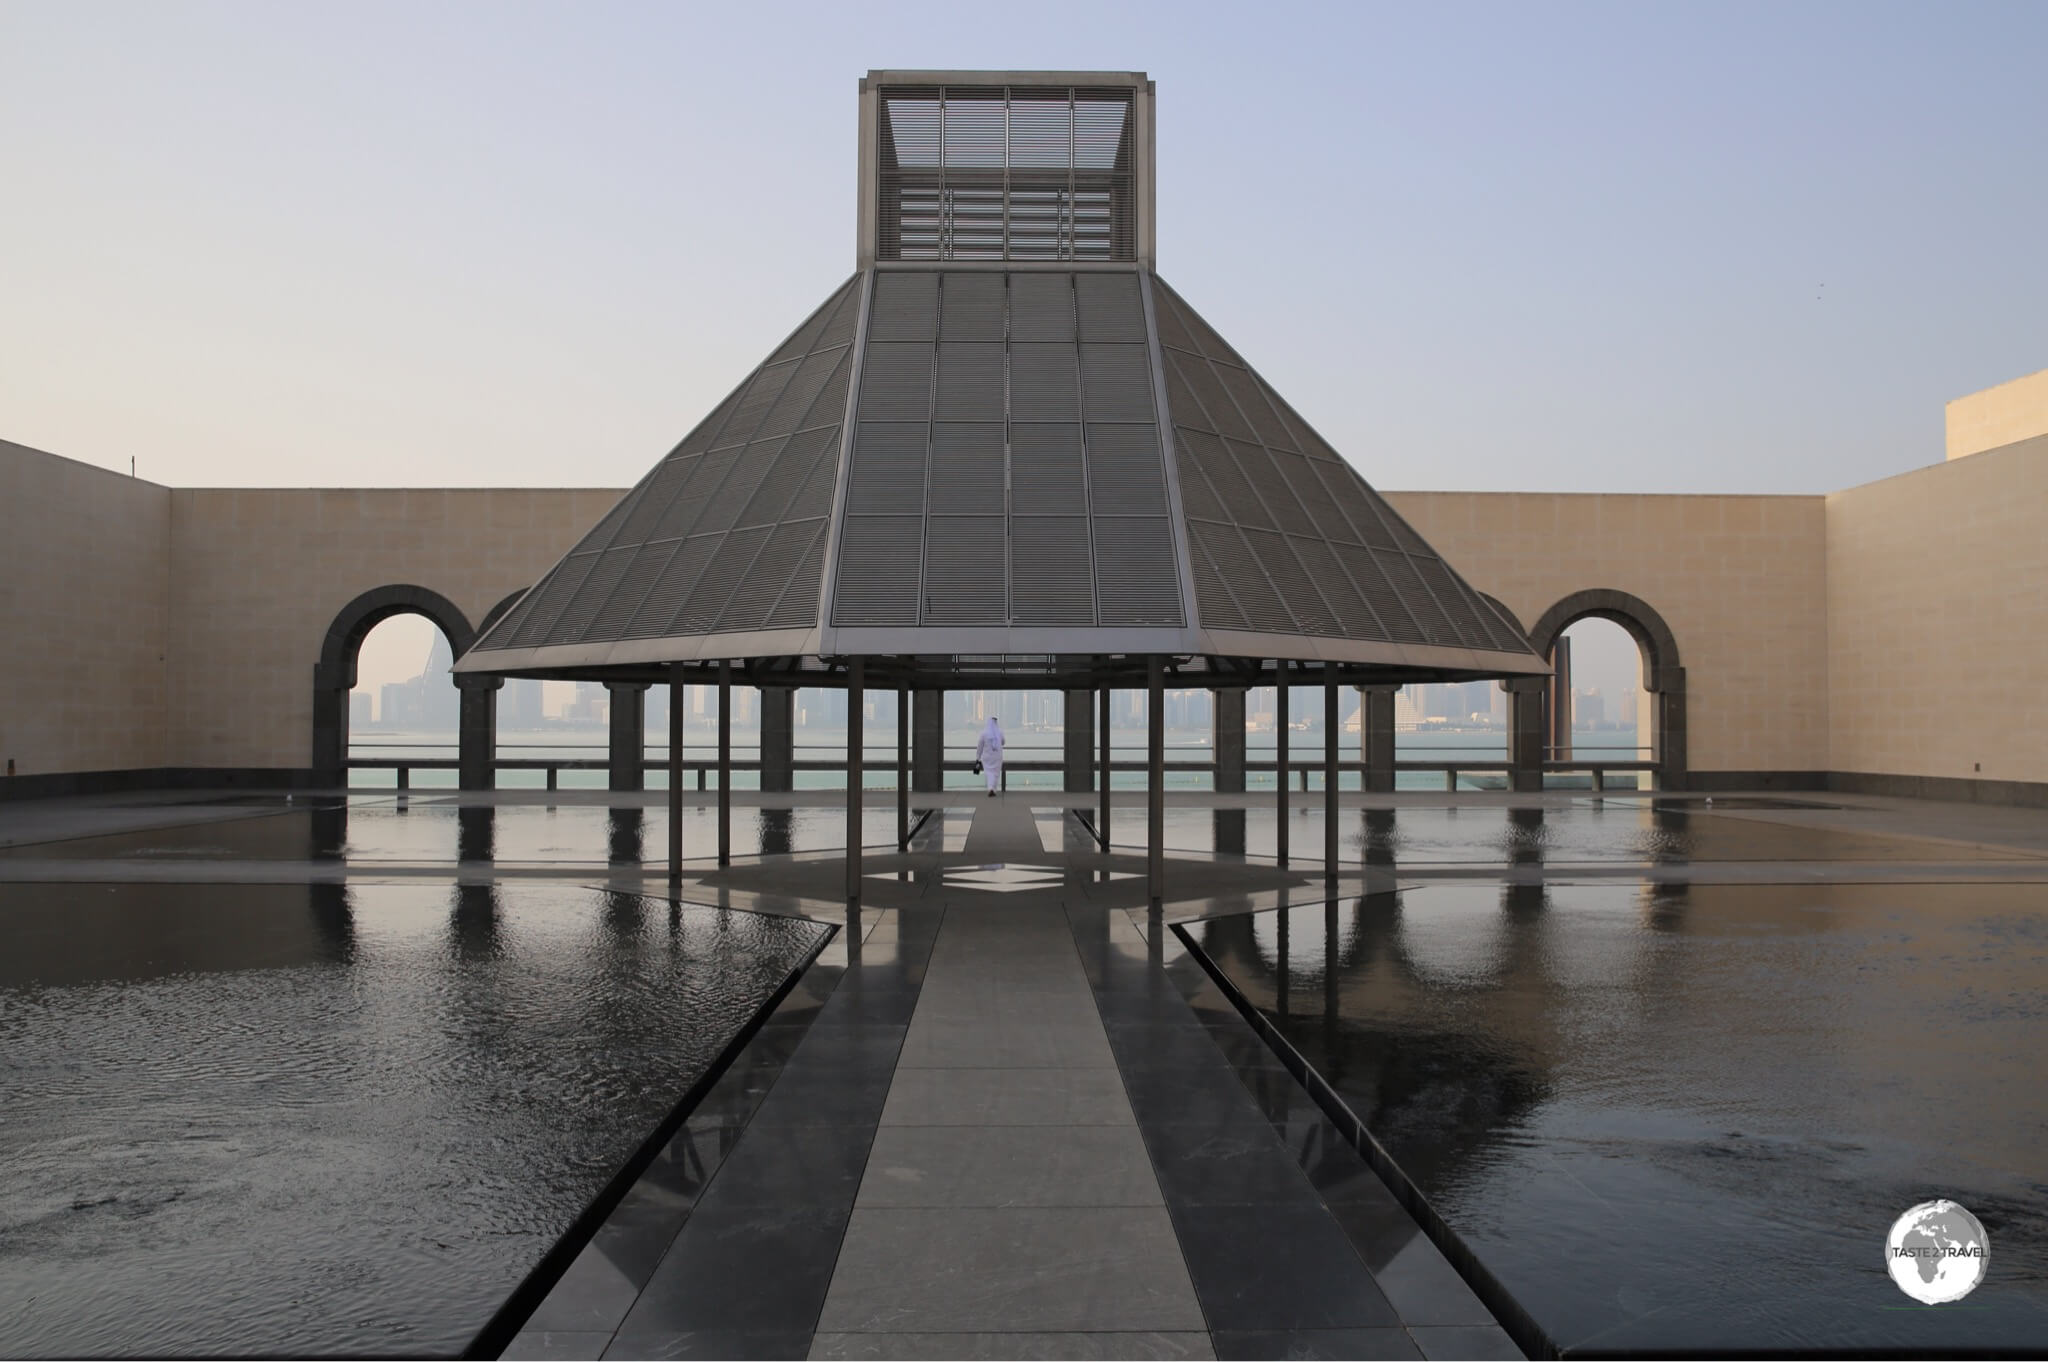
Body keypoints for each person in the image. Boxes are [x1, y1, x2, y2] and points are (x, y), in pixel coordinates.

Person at [975, 716, 1004, 797]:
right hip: (997, 757)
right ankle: (993, 789)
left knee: (989, 773)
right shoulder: (999, 732)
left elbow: (980, 746)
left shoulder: (984, 733)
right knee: (996, 773)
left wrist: (978, 757)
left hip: (987, 757)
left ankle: (991, 788)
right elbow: (1003, 742)